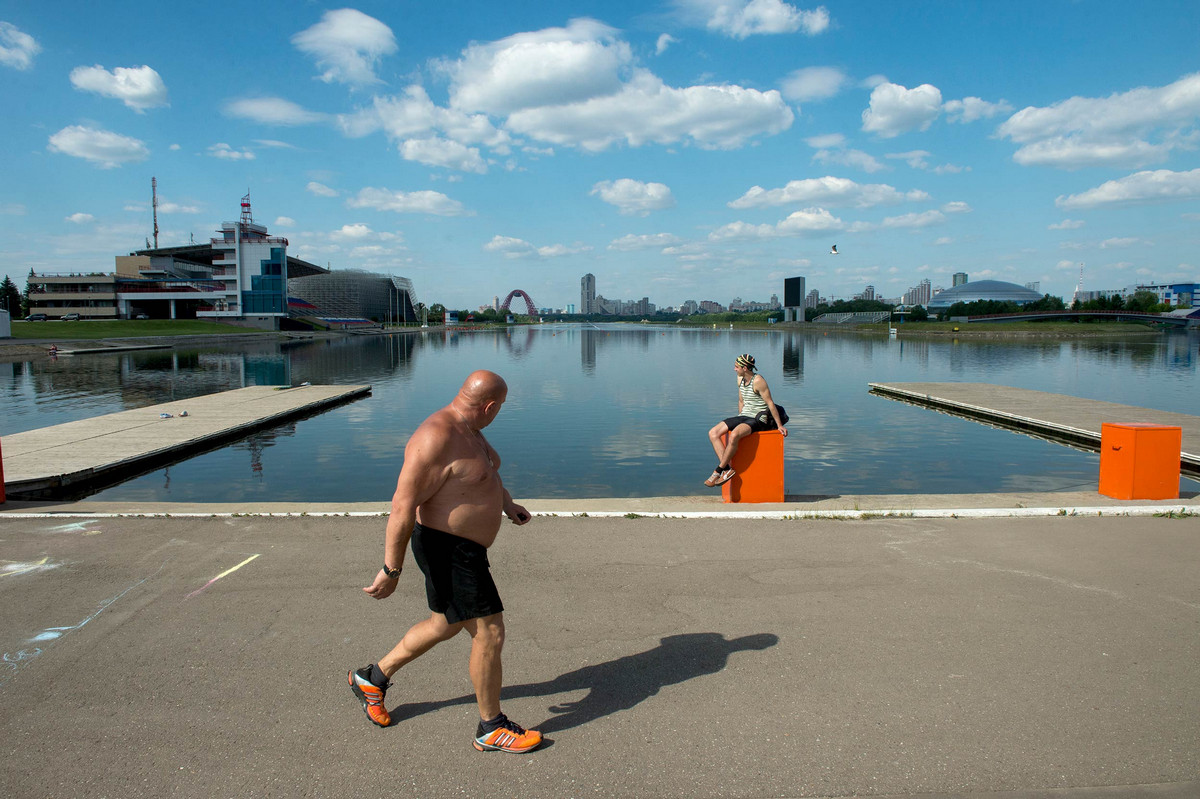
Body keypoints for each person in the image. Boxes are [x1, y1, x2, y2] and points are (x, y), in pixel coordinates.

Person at [348, 369, 542, 754]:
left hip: (464, 549)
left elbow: (481, 476)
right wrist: (391, 568)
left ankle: (372, 677)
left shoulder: (469, 428)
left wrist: (507, 504)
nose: (498, 413)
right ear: (489, 406)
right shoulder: (436, 437)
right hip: (448, 549)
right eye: (499, 408)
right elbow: (403, 505)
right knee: (490, 632)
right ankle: (491, 727)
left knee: (444, 625)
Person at [704, 353, 787, 487]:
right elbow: (741, 400)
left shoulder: (758, 381)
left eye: (737, 367)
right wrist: (739, 418)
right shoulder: (739, 379)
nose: (734, 369)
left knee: (735, 434)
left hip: (758, 418)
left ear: (745, 368)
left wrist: (779, 425)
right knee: (713, 433)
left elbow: (770, 403)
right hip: (744, 415)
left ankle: (717, 471)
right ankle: (727, 470)